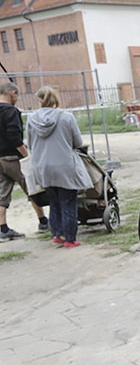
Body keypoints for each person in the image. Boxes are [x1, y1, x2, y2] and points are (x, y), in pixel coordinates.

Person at [25, 86, 93, 248]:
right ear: (55, 99)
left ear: (40, 100)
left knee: (53, 201)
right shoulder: (66, 117)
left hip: (42, 166)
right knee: (68, 201)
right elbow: (77, 142)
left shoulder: (31, 119)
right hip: (64, 165)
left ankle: (57, 234)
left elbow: (29, 143)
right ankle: (70, 238)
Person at [0, 81, 49, 241]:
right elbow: (14, 136)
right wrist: (27, 155)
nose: (17, 98)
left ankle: (3, 229)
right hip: (13, 158)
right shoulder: (11, 111)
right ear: (12, 93)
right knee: (32, 188)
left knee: (2, 194)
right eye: (17, 95)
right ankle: (43, 222)